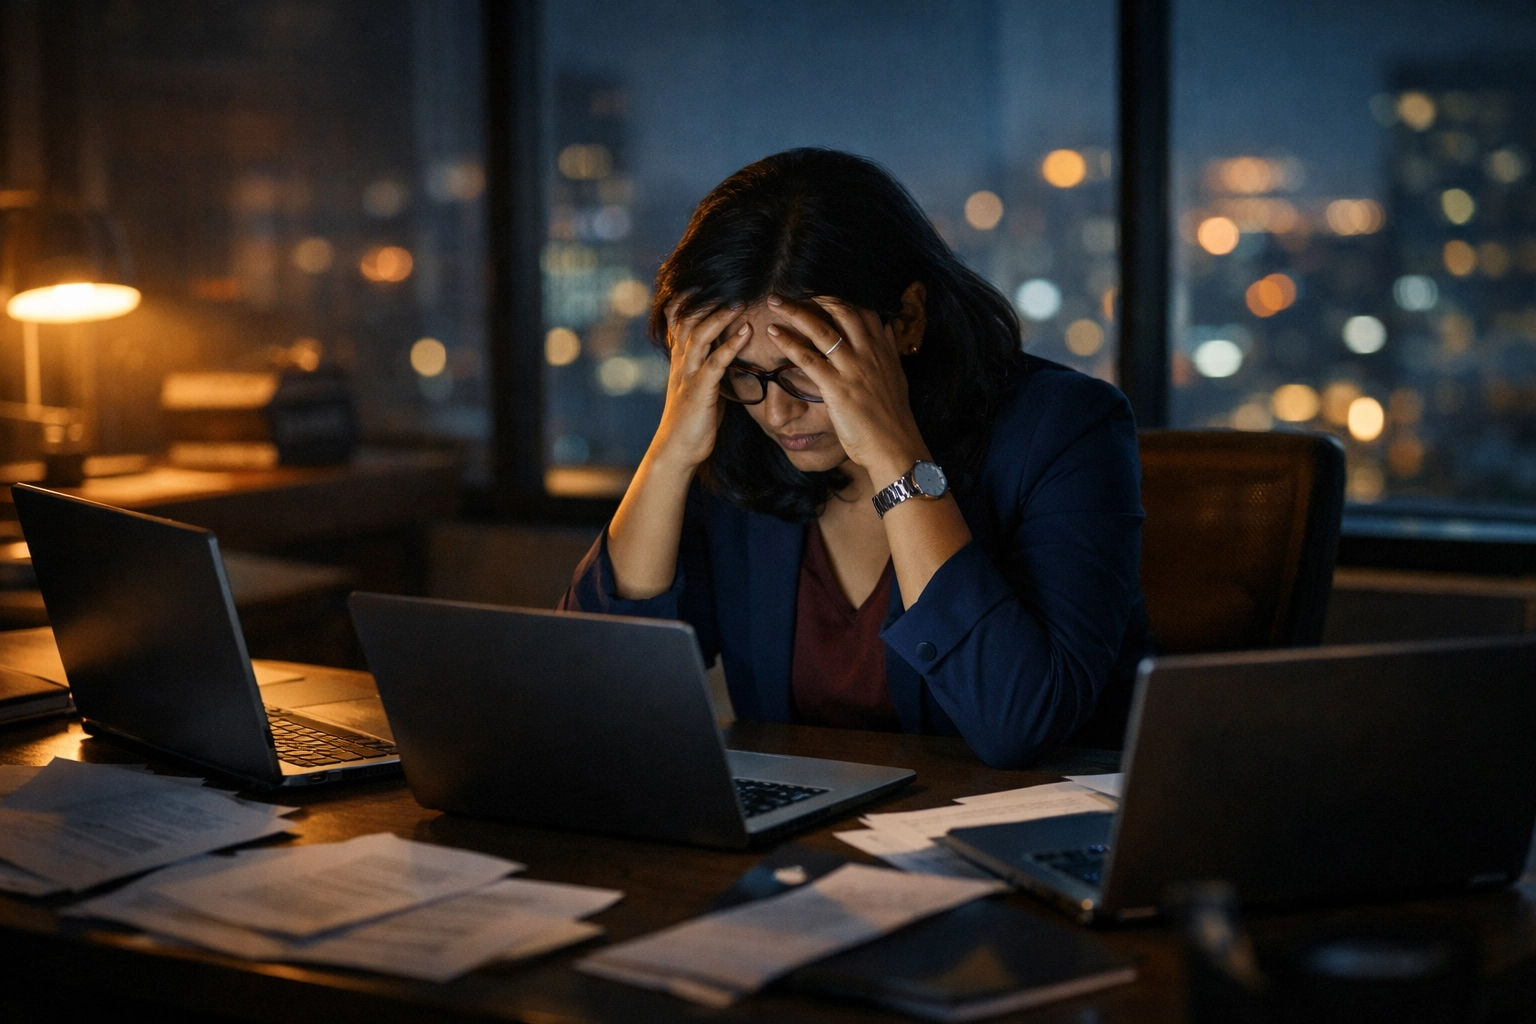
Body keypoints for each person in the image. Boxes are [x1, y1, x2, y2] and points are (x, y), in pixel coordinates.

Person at [563, 148, 1149, 768]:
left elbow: (1017, 722)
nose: (777, 413)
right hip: (801, 846)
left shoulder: (1065, 429)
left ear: (907, 319)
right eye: (742, 374)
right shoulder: (736, 443)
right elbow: (597, 695)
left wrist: (894, 453)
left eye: (807, 370)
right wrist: (668, 454)